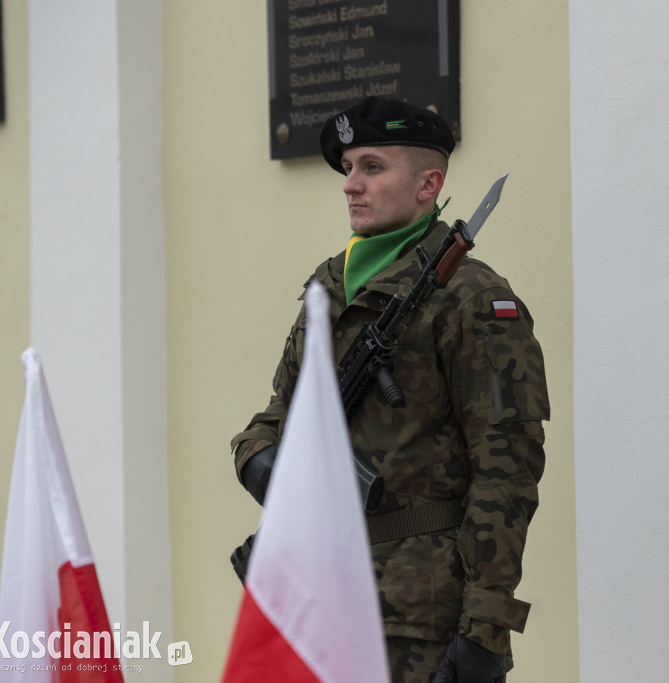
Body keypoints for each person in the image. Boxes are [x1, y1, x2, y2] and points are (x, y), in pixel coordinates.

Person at [230, 96, 549, 683]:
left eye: (372, 167)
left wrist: (485, 627)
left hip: (416, 615)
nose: (351, 184)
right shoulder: (326, 288)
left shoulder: (474, 300)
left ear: (429, 184)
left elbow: (506, 473)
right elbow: (278, 412)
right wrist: (262, 463)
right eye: (348, 168)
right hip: (313, 598)